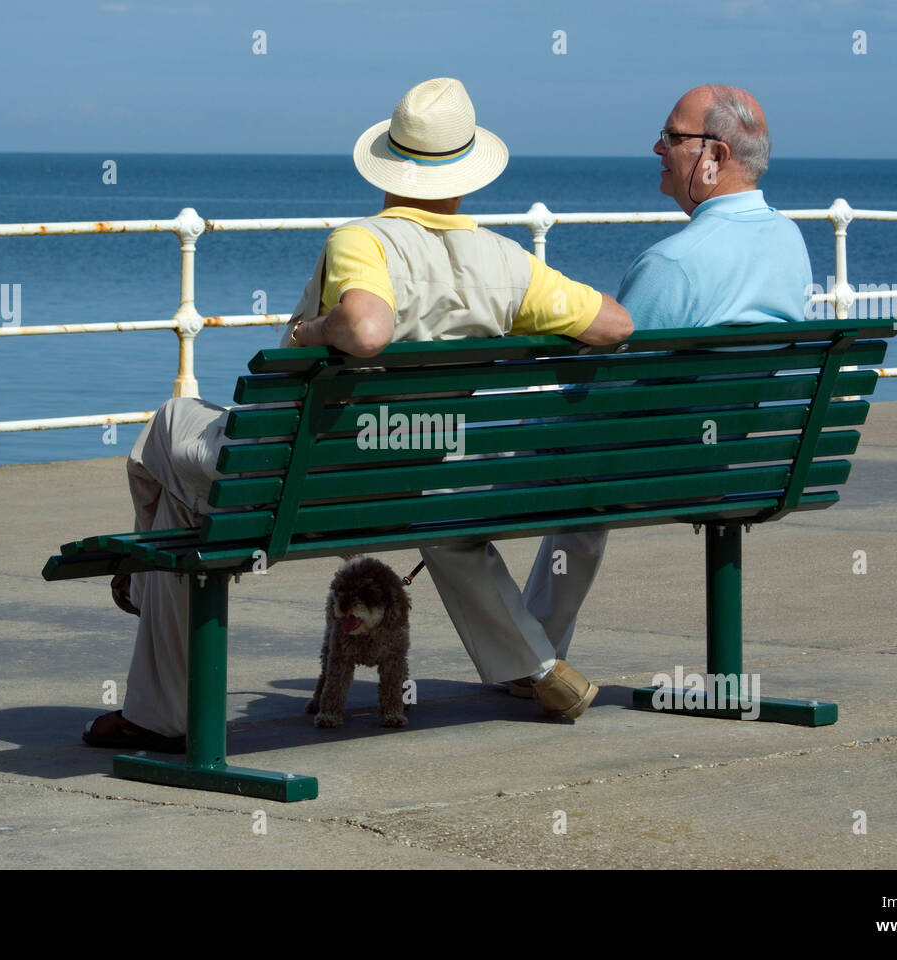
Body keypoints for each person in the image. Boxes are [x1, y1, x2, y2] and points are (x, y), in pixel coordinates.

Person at [83, 77, 633, 751]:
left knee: (168, 427)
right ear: (467, 171)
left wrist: (312, 331)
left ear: (390, 161)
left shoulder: (363, 242)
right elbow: (614, 324)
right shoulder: (507, 262)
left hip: (305, 483)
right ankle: (153, 691)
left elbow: (367, 331)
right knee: (180, 502)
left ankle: (148, 614)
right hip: (419, 473)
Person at [427, 84, 813, 709]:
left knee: (437, 505)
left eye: (672, 136)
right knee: (589, 487)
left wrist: (512, 424)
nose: (657, 147)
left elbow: (596, 392)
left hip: (645, 468)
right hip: (738, 465)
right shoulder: (790, 243)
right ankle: (534, 664)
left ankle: (533, 662)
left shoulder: (675, 263)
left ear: (713, 155)